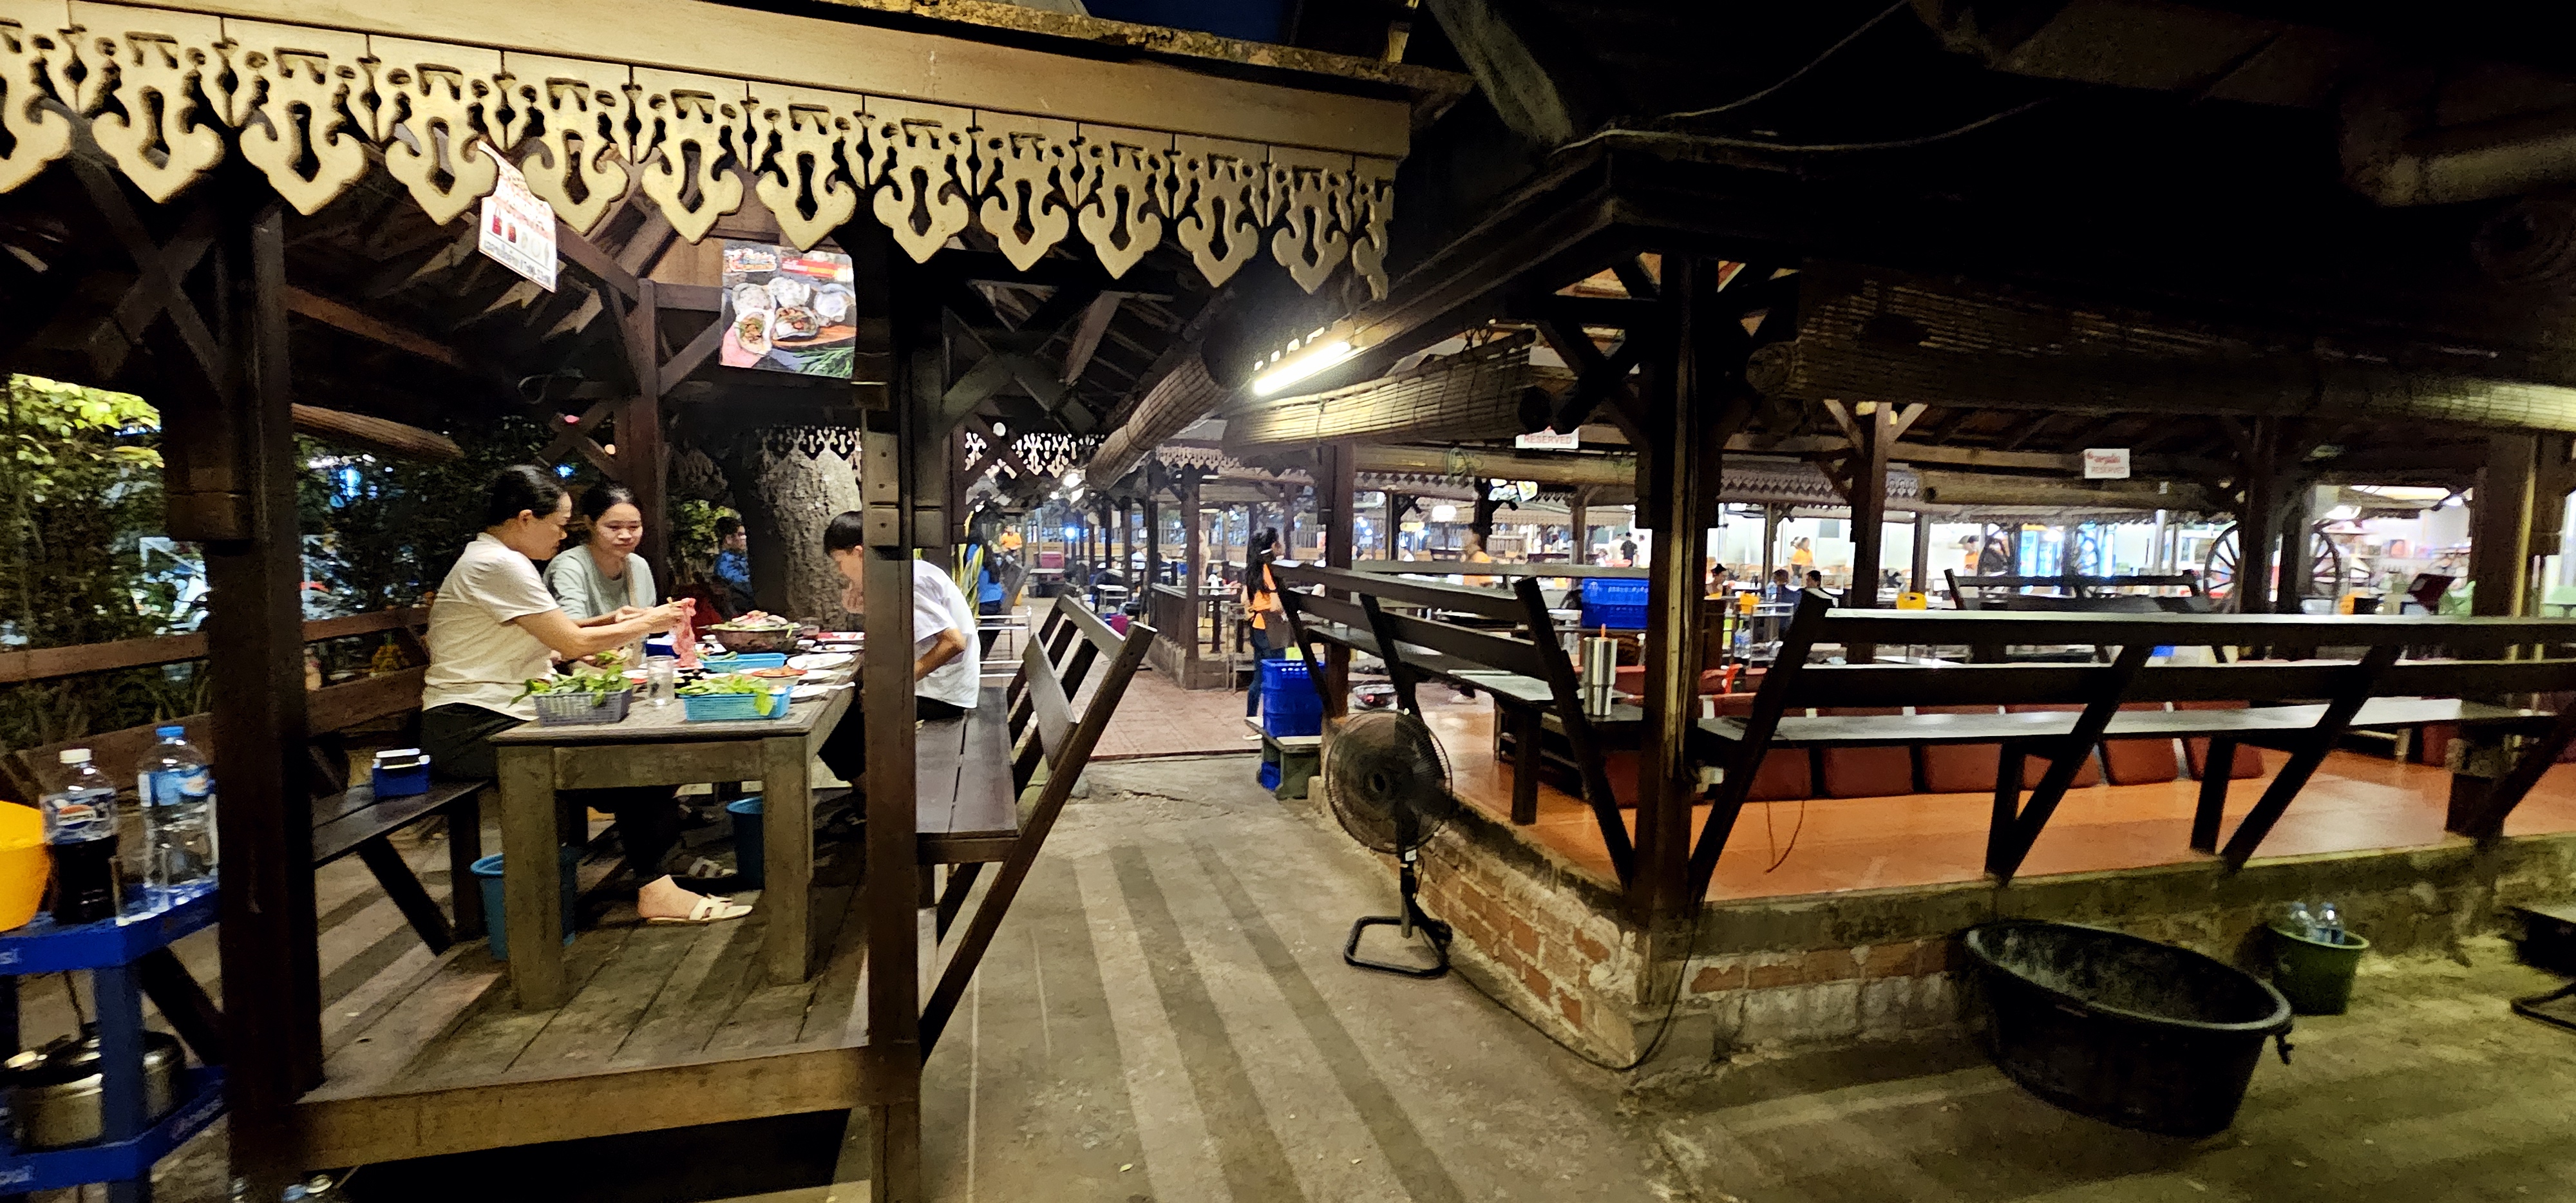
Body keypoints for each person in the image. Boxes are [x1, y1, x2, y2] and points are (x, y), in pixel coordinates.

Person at [417, 466, 741, 923]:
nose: (564, 534)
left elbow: (557, 630)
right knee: (633, 761)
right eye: (559, 524)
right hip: (472, 724)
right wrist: (648, 622)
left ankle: (660, 876)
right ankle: (657, 886)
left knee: (639, 754)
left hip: (501, 712)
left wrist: (613, 620)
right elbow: (570, 644)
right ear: (525, 519)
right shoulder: (497, 564)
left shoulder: (497, 559)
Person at [815, 512, 980, 791]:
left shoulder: (909, 580)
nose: (840, 571)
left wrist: (896, 684)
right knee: (848, 709)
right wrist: (866, 605)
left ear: (859, 553)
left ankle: (881, 800)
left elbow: (953, 643)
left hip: (942, 694)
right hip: (941, 687)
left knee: (832, 725)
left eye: (840, 562)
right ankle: (878, 791)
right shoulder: (907, 571)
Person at [545, 482, 658, 625]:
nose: (626, 535)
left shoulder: (638, 565)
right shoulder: (569, 566)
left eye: (634, 527)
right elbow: (571, 629)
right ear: (589, 523)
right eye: (614, 527)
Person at [1241, 530, 1283, 717]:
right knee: (1275, 676)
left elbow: (1244, 598)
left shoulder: (1252, 568)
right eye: (1278, 542)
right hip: (1271, 626)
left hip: (1257, 626)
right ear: (1273, 545)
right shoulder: (1269, 568)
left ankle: (1251, 716)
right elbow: (1275, 606)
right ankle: (1272, 717)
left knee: (1258, 676)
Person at [713, 515, 753, 616]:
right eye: (741, 535)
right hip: (745, 607)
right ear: (729, 539)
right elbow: (743, 585)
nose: (745, 539)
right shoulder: (725, 562)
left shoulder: (737, 558)